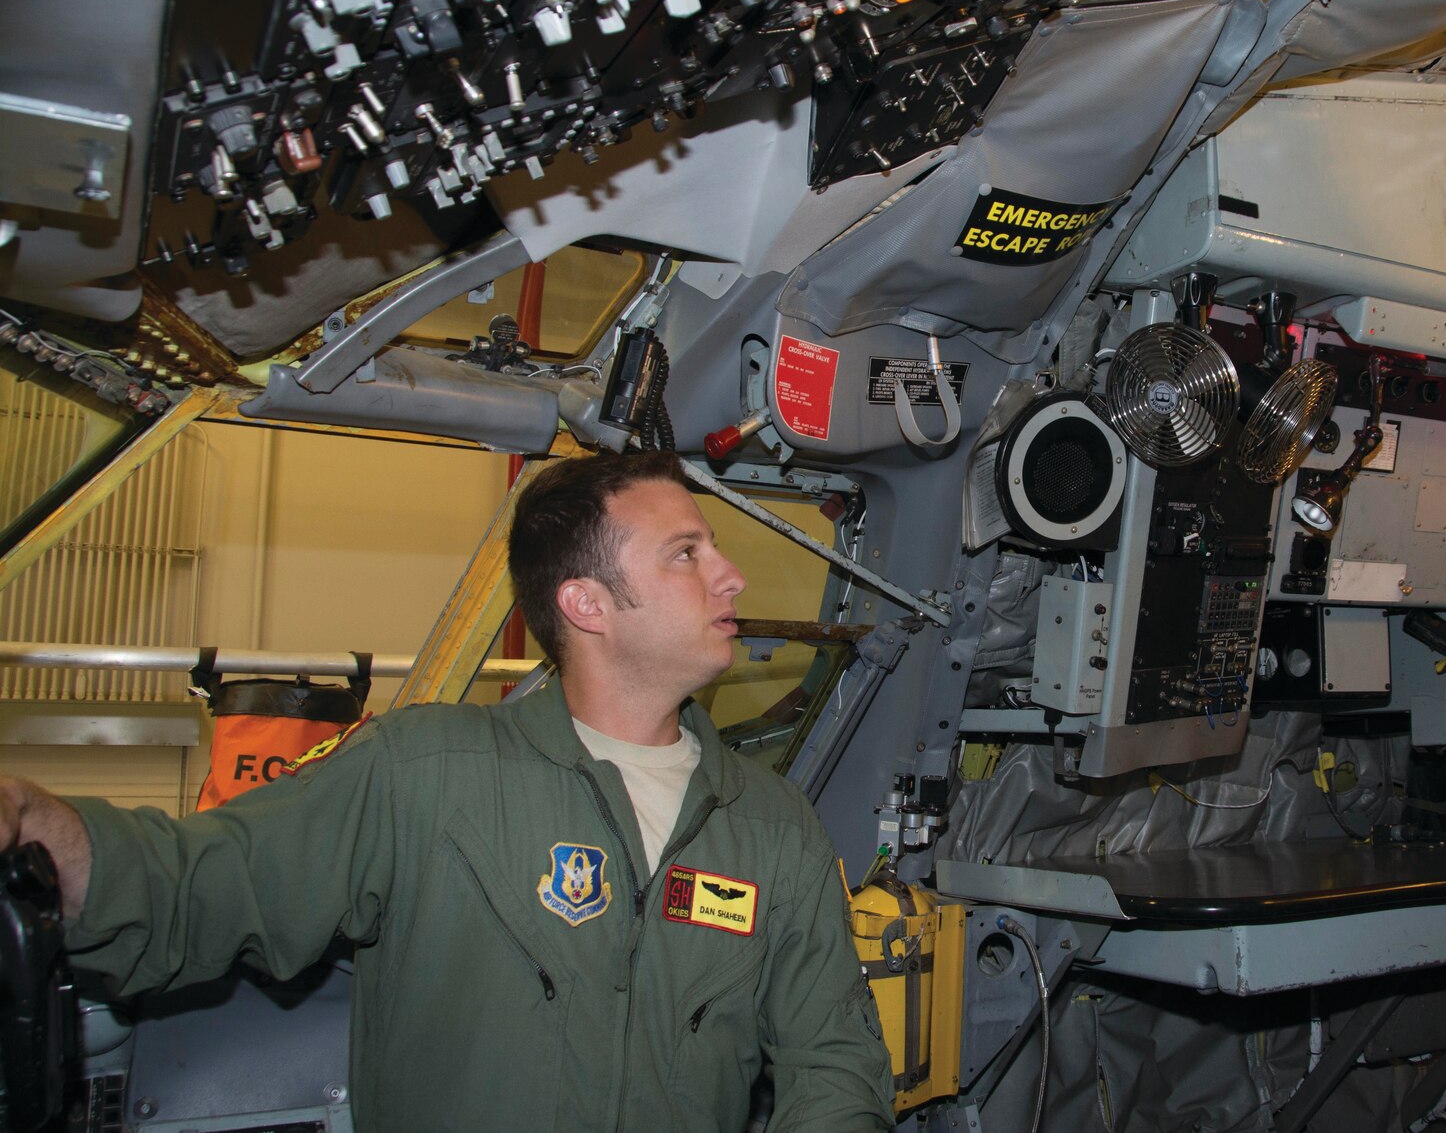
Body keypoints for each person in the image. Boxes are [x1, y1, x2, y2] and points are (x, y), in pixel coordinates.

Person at [0, 449, 894, 1131]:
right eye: (687, 553)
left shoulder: (771, 825)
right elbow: (200, 884)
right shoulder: (422, 773)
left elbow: (834, 1063)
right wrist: (39, 823)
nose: (731, 575)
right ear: (586, 603)